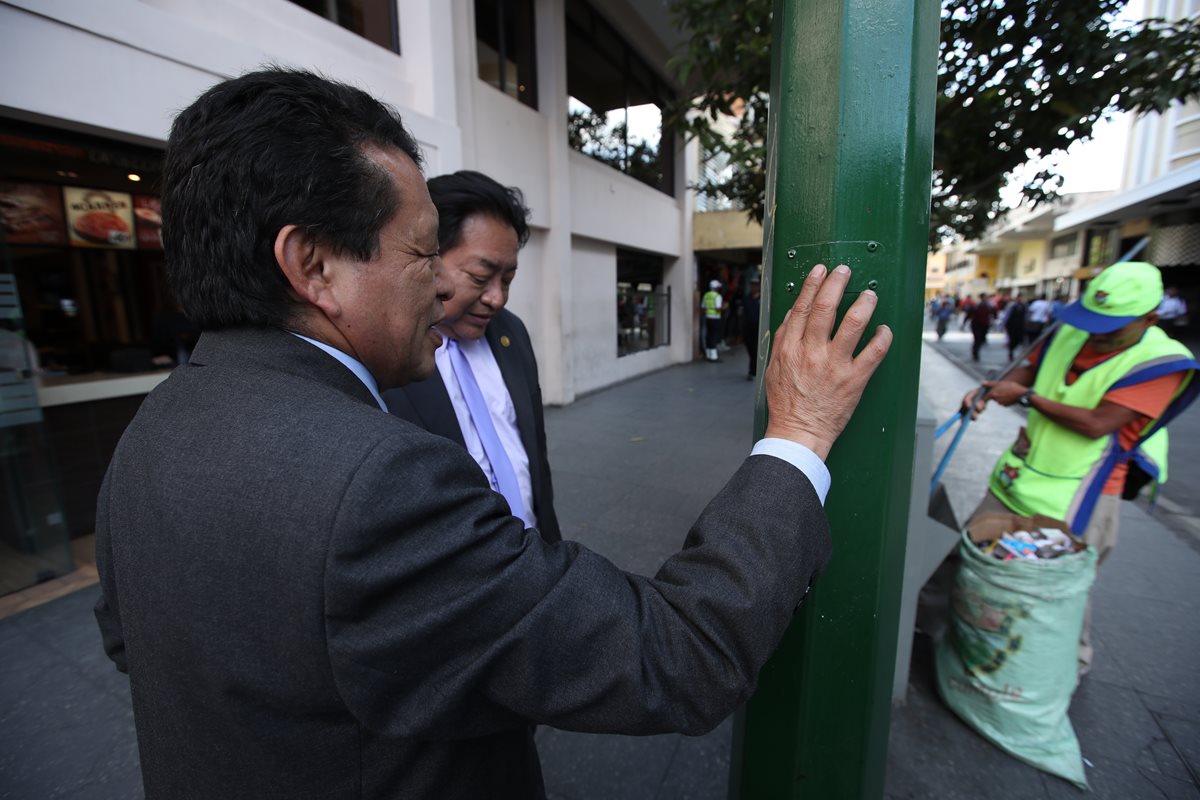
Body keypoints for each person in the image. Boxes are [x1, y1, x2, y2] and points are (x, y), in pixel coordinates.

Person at [92, 68, 892, 799]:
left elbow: (133, 642)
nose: (439, 283)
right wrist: (799, 431)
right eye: (417, 253)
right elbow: (675, 657)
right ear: (314, 265)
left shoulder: (154, 429)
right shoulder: (374, 483)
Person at [965, 261, 1198, 674]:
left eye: (1112, 327)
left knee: (1056, 589)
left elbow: (1097, 423)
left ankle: (1057, 671)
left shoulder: (1161, 361)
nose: (1096, 334)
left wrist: (1024, 396)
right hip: (1018, 476)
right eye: (1093, 321)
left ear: (1151, 318)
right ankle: (964, 641)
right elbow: (1027, 368)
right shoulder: (1070, 332)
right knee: (977, 562)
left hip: (1082, 494)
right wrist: (991, 390)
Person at [383, 171, 559, 542]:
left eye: (507, 279)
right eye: (480, 278)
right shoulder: (388, 353)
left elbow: (534, 459)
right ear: (430, 257)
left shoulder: (511, 333)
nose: (497, 298)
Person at [742, 276, 762, 380]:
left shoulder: (762, 299)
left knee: (755, 350)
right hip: (748, 327)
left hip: (758, 328)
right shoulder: (746, 298)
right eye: (752, 285)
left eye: (756, 285)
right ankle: (753, 368)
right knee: (750, 348)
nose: (754, 287)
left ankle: (752, 371)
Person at [701, 278, 723, 361]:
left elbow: (703, 308)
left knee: (709, 336)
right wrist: (723, 307)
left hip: (707, 318)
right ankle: (714, 357)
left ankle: (708, 355)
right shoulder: (717, 296)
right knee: (713, 336)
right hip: (715, 318)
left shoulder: (706, 295)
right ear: (716, 288)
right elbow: (718, 308)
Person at [969, 292, 995, 362]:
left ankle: (976, 350)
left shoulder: (989, 306)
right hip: (976, 325)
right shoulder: (976, 305)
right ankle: (975, 352)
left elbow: (993, 314)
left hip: (984, 325)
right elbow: (970, 314)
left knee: (981, 339)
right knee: (977, 339)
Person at [1000, 293, 1027, 361]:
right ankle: (1011, 351)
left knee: (1018, 340)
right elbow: (1006, 316)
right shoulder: (1012, 306)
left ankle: (1012, 350)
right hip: (1012, 326)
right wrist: (1003, 325)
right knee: (1012, 339)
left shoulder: (1023, 306)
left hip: (1020, 326)